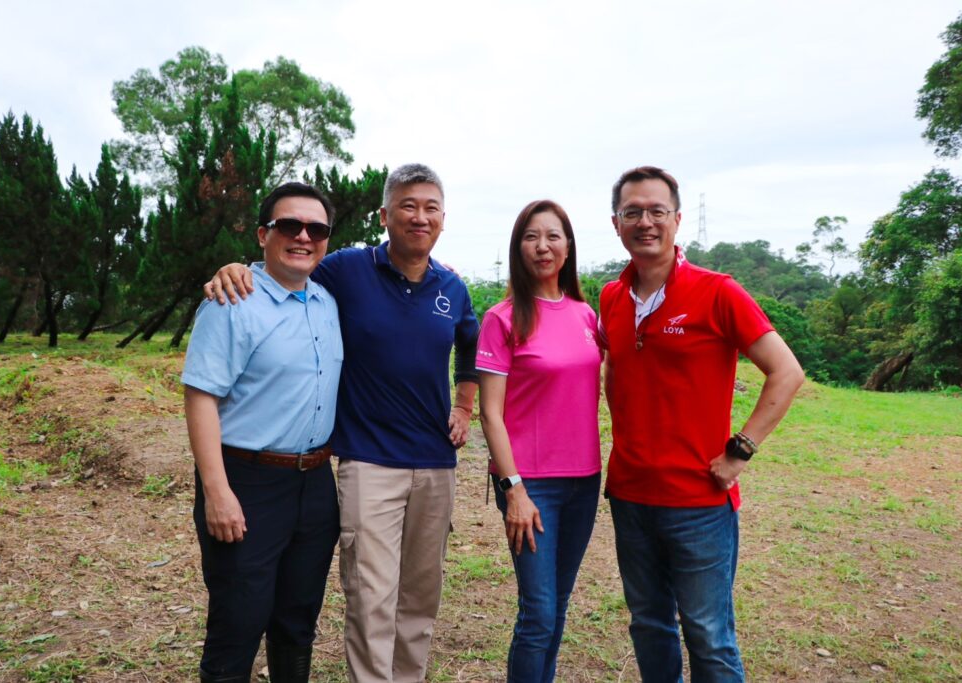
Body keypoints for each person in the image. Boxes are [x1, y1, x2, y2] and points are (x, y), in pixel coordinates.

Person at [204, 163, 480, 683]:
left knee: (420, 597)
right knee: (372, 599)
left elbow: (472, 343)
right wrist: (236, 268)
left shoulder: (453, 287)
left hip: (436, 464)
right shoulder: (347, 270)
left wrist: (464, 406)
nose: (419, 217)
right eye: (407, 205)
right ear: (385, 215)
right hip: (368, 461)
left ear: (443, 218)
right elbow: (286, 264)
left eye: (430, 208)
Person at [599, 166, 804, 682]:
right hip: (630, 493)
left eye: (656, 211)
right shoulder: (611, 298)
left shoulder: (718, 292)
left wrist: (741, 449)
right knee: (648, 624)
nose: (645, 221)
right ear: (616, 223)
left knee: (708, 635)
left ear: (677, 219)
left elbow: (786, 371)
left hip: (699, 502)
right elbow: (613, 371)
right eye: (633, 212)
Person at [182, 182, 343, 683]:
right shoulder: (233, 301)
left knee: (297, 620)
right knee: (239, 620)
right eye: (288, 225)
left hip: (314, 483)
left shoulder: (326, 302)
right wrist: (217, 493)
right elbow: (201, 396)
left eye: (315, 228)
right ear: (262, 235)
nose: (302, 236)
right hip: (247, 481)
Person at [477, 200, 602, 682]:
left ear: (568, 248)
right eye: (531, 236)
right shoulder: (503, 318)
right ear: (518, 248)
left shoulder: (586, 316)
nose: (542, 246)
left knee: (559, 608)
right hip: (531, 486)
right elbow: (491, 413)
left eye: (553, 236)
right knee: (538, 615)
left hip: (584, 481)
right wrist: (515, 490)